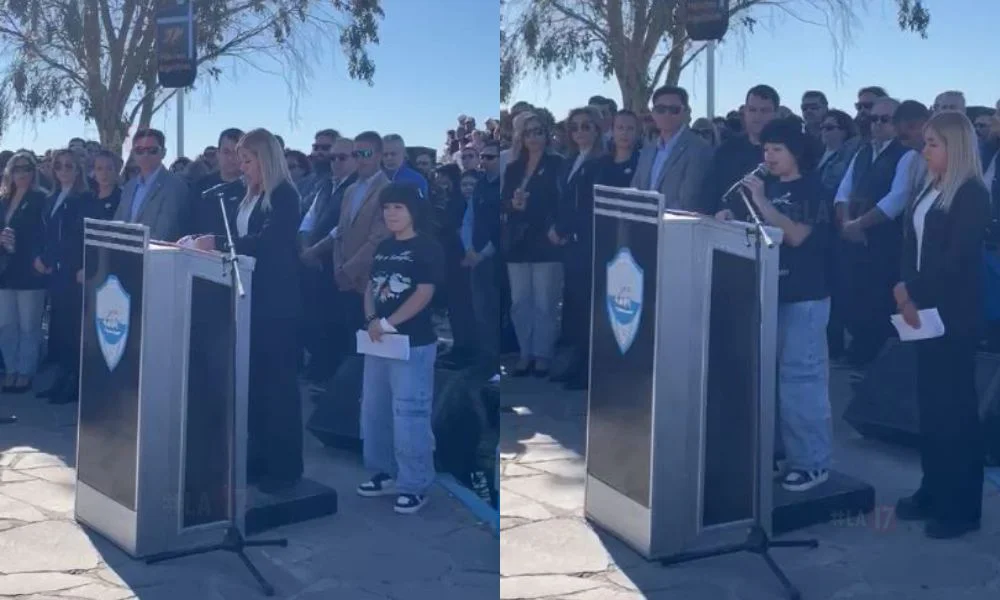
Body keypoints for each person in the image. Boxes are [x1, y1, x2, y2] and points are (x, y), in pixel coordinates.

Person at [718, 118, 833, 492]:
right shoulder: (760, 188)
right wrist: (729, 218)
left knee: (801, 379)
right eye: (765, 149)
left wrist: (763, 202)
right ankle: (776, 453)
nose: (768, 156)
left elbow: (796, 235)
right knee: (768, 379)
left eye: (777, 150)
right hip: (767, 291)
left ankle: (812, 461)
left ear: (796, 152)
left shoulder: (813, 188)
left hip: (805, 296)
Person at [893, 111, 990, 539]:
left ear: (956, 147)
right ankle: (933, 488)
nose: (925, 148)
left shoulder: (970, 193)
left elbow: (957, 258)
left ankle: (962, 506)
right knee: (930, 408)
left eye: (934, 142)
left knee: (956, 413)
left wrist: (911, 289)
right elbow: (911, 242)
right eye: (925, 141)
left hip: (951, 314)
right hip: (920, 311)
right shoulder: (930, 187)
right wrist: (903, 288)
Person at [193, 128, 303, 493]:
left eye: (247, 160)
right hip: (247, 300)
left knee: (279, 386)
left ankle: (285, 467)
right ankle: (260, 457)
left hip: (277, 305)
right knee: (254, 385)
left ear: (265, 159)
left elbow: (270, 243)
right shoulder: (247, 196)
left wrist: (220, 243)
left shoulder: (284, 196)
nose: (241, 168)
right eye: (239, 160)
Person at [356, 183, 444, 515]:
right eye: (387, 207)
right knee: (375, 411)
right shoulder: (383, 247)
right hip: (378, 342)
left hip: (413, 344)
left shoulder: (427, 248)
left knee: (409, 413)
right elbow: (370, 286)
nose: (391, 213)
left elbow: (424, 292)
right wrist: (371, 319)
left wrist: (391, 322)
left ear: (413, 212)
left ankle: (414, 484)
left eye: (399, 208)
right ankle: (385, 473)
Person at [37, 149, 92, 405]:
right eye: (59, 166)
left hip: (73, 271)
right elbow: (47, 234)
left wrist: (79, 265)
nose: (64, 170)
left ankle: (73, 383)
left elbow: (76, 237)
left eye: (69, 166)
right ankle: (61, 378)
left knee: (73, 329)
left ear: (78, 169)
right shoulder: (52, 198)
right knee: (58, 328)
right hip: (56, 272)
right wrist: (43, 258)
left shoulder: (84, 198)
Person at [0, 152, 48, 393]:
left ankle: (25, 371)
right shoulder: (3, 199)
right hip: (4, 272)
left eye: (27, 169)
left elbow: (44, 235)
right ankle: (10, 369)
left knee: (29, 325)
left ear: (33, 172)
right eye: (17, 169)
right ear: (10, 172)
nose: (22, 173)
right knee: (6, 324)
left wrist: (24, 246)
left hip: (30, 270)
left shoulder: (42, 199)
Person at [113, 128, 190, 241]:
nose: (145, 155)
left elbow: (164, 233)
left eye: (152, 150)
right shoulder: (129, 186)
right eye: (139, 150)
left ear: (163, 153)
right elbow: (117, 225)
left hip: (158, 255)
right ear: (134, 154)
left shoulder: (174, 186)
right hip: (124, 253)